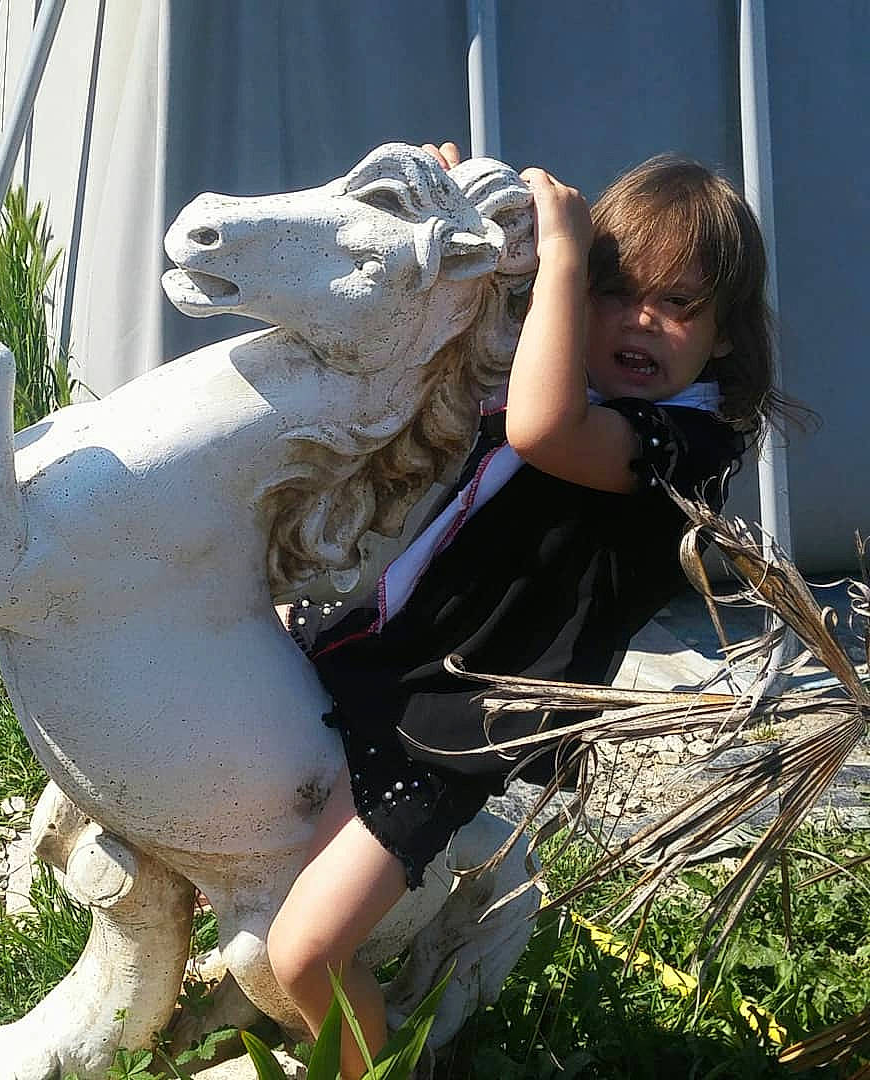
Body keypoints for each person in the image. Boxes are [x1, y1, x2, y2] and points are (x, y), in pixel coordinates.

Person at [265, 141, 786, 1079]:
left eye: (681, 306)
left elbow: (543, 432)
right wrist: (459, 198)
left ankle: (374, 1072)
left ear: (725, 339)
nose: (643, 321)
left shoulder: (686, 442)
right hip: (368, 656)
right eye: (619, 293)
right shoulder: (559, 370)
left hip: (446, 726)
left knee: (306, 951)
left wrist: (572, 260)